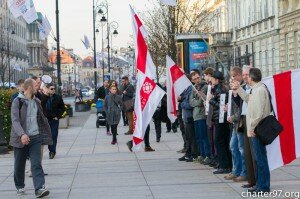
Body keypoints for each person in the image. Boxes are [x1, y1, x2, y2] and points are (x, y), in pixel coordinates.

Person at [10, 78, 52, 198]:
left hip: (35, 138)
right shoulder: (17, 102)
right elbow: (15, 121)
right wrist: (22, 134)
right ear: (29, 88)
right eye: (35, 86)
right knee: (19, 164)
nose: (37, 87)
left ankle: (39, 188)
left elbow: (41, 118)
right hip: (20, 138)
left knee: (36, 164)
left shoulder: (37, 101)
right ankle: (20, 186)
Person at [232, 68, 271, 193]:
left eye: (248, 76)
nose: (246, 78)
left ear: (252, 78)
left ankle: (263, 187)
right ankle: (260, 185)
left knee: (260, 159)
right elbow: (247, 99)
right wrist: (238, 88)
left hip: (256, 129)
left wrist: (252, 127)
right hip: (254, 129)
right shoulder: (255, 89)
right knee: (258, 159)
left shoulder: (260, 90)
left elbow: (258, 113)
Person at [224, 66, 247, 182]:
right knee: (233, 147)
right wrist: (227, 108)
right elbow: (234, 105)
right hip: (235, 124)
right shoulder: (233, 88)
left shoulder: (243, 88)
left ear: (239, 76)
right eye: (231, 77)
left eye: (233, 76)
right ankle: (236, 170)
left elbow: (243, 108)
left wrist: (233, 117)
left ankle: (244, 172)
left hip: (241, 123)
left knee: (241, 148)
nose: (231, 79)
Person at [209, 71, 232, 174]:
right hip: (220, 118)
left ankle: (224, 165)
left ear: (217, 79)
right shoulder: (219, 88)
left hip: (221, 119)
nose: (211, 80)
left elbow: (221, 105)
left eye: (212, 78)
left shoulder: (221, 89)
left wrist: (210, 100)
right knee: (222, 142)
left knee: (220, 141)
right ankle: (225, 164)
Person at [189, 71, 212, 165]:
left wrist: (197, 101)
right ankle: (201, 154)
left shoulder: (205, 87)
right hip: (195, 116)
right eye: (194, 79)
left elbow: (203, 101)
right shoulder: (193, 88)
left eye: (198, 78)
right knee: (198, 137)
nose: (197, 80)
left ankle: (207, 155)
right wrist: (196, 102)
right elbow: (191, 102)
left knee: (204, 137)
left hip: (202, 115)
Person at [178, 74, 198, 162]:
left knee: (191, 137)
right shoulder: (185, 89)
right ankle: (188, 153)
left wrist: (181, 103)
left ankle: (193, 154)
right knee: (187, 136)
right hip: (185, 116)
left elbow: (190, 104)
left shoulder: (190, 88)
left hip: (190, 116)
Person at [44, 83, 65, 159]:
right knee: (47, 136)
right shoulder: (43, 97)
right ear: (47, 89)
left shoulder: (58, 97)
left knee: (53, 136)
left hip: (54, 120)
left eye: (54, 89)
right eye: (51, 89)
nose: (53, 90)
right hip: (45, 120)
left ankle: (52, 152)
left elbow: (62, 108)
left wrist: (58, 116)